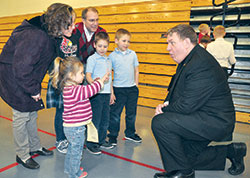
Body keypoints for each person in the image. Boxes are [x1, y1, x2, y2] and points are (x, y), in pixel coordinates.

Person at [151, 24, 247, 178]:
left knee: (161, 123)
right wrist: (166, 104)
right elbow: (177, 90)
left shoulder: (200, 63)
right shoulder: (189, 59)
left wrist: (163, 111)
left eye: (172, 43)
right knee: (184, 156)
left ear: (186, 42)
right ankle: (233, 150)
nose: (168, 48)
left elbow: (187, 105)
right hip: (202, 114)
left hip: (216, 121)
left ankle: (184, 173)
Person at [0, 3, 76, 170]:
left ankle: (34, 146)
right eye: (71, 23)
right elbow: (21, 68)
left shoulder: (49, 33)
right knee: (21, 116)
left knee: (32, 113)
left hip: (25, 76)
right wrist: (33, 90)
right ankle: (22, 154)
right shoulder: (35, 36)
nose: (74, 26)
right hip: (14, 78)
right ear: (60, 22)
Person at [51, 56, 109, 178]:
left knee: (72, 149)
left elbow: (87, 89)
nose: (83, 75)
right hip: (76, 128)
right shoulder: (74, 90)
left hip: (73, 128)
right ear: (71, 75)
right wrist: (101, 81)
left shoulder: (70, 88)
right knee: (76, 152)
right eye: (81, 73)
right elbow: (90, 91)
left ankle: (70, 168)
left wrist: (96, 82)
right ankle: (74, 173)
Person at [46, 6, 81, 154]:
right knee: (61, 111)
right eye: (70, 23)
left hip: (74, 80)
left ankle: (72, 136)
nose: (74, 27)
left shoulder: (75, 34)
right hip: (60, 81)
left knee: (73, 110)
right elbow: (49, 61)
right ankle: (61, 139)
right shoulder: (52, 38)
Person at [108, 28, 142, 146]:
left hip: (132, 89)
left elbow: (136, 70)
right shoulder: (112, 56)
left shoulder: (133, 54)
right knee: (115, 114)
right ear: (116, 41)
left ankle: (130, 133)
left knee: (131, 113)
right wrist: (111, 92)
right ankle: (112, 135)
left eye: (128, 41)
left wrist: (136, 85)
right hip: (118, 89)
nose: (126, 44)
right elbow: (109, 75)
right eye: (124, 41)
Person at [85, 32, 114, 154]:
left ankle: (101, 140)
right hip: (96, 94)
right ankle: (91, 143)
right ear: (94, 45)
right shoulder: (92, 59)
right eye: (100, 46)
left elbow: (110, 78)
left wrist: (112, 93)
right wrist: (93, 84)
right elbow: (88, 75)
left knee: (105, 119)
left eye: (105, 46)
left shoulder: (108, 60)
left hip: (106, 94)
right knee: (95, 120)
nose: (102, 49)